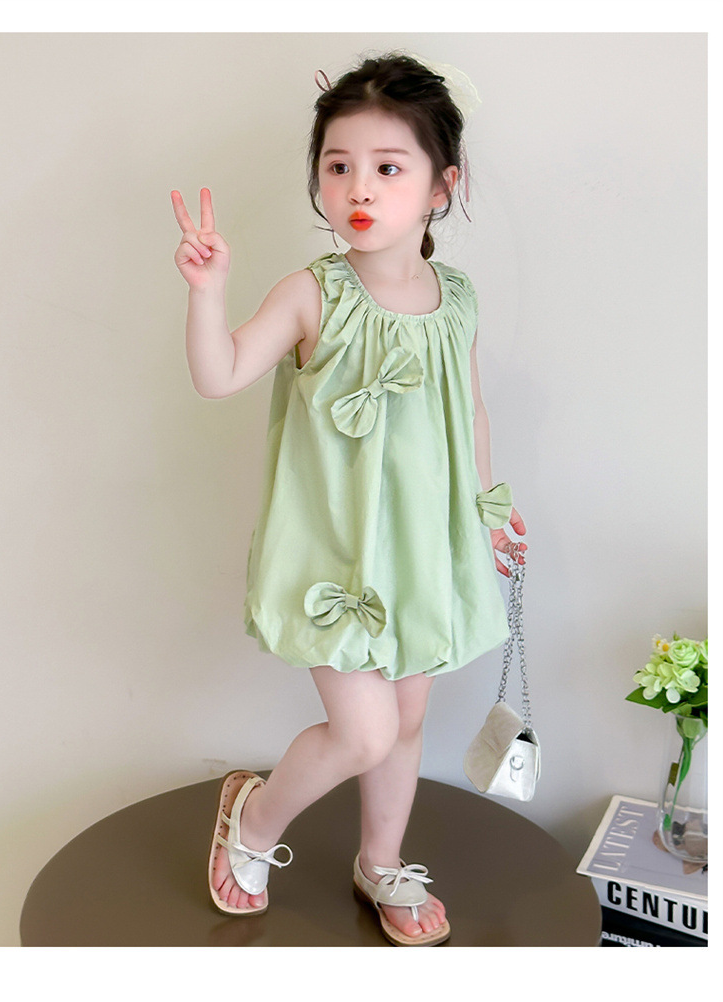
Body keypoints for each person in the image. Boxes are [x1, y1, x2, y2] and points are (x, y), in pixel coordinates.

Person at [171, 52, 527, 947]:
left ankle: (380, 861)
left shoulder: (457, 299)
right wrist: (208, 294)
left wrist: (489, 509)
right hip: (334, 555)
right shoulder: (312, 293)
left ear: (443, 185)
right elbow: (219, 375)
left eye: (387, 167)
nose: (358, 188)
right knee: (363, 732)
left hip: (424, 550)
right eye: (338, 165)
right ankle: (254, 819)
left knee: (406, 720)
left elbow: (470, 410)